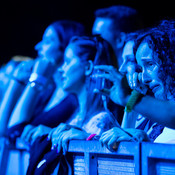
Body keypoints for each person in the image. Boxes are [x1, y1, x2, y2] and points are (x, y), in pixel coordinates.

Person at [26, 35, 118, 175]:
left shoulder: (102, 120)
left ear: (87, 67)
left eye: (67, 62)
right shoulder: (78, 115)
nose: (61, 69)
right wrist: (50, 134)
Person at [94, 19, 175, 149]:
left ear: (170, 60)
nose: (143, 77)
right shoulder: (157, 118)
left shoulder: (160, 113)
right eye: (141, 67)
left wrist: (130, 98)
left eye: (150, 64)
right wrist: (132, 97)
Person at [0, 20, 86, 139]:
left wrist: (36, 79)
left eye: (47, 41)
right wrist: (16, 81)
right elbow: (2, 129)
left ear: (66, 48)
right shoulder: (48, 91)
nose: (38, 47)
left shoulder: (72, 98)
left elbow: (15, 130)